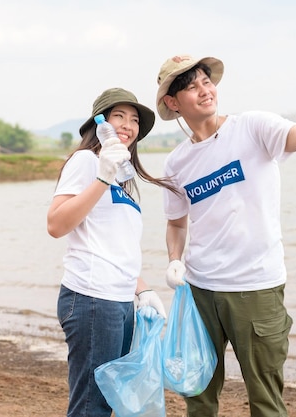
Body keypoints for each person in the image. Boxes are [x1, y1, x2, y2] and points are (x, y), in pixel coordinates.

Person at [155, 50, 296, 417]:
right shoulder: (176, 163)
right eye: (192, 87)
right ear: (173, 103)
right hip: (200, 292)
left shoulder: (253, 127)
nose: (204, 90)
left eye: (206, 81)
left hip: (256, 288)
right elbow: (177, 223)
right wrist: (175, 261)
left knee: (266, 400)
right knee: (199, 394)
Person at [47, 87, 178, 417]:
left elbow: (115, 246)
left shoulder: (123, 179)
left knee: (108, 401)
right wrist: (102, 177)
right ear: (99, 122)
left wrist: (143, 289)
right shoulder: (86, 162)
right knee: (92, 403)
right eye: (119, 115)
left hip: (119, 302)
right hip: (92, 298)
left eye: (134, 120)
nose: (128, 125)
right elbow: (56, 224)